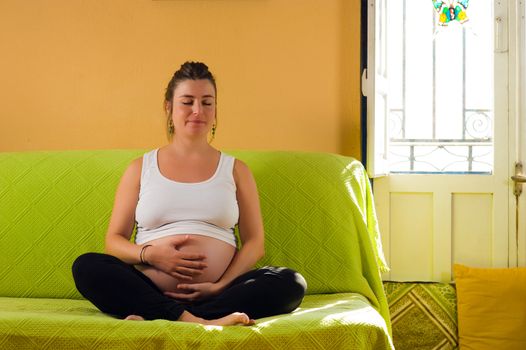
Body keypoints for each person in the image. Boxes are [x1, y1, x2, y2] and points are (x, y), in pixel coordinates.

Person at [72, 61, 307, 326]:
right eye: (187, 101)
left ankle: (167, 315)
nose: (198, 111)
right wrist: (149, 254)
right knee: (87, 267)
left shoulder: (236, 170)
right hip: (150, 286)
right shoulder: (140, 168)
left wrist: (219, 286)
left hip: (219, 292)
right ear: (168, 107)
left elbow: (255, 244)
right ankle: (199, 319)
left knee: (291, 282)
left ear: (216, 109)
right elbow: (114, 241)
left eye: (207, 102)